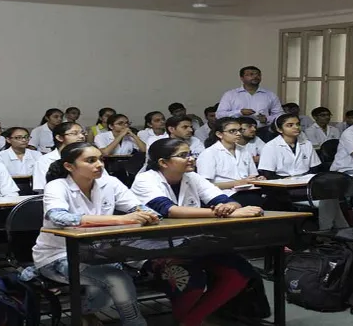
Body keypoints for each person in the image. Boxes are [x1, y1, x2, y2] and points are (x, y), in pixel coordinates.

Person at [131, 138, 263, 326]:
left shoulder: (191, 176)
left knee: (239, 271)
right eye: (184, 155)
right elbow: (170, 211)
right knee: (190, 280)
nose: (191, 159)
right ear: (163, 162)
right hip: (154, 247)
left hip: (192, 244)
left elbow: (224, 199)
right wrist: (226, 214)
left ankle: (191, 321)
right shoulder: (145, 179)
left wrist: (229, 207)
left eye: (191, 154)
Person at [33, 142, 156, 326]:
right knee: (116, 278)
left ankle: (86, 312)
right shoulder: (57, 186)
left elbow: (139, 207)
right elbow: (59, 217)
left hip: (96, 253)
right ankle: (135, 323)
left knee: (117, 273)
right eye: (91, 160)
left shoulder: (110, 183)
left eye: (101, 159)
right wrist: (122, 219)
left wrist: (147, 214)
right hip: (57, 256)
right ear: (69, 166)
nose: (99, 165)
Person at [198, 118, 264, 206]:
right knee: (253, 201)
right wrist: (237, 183)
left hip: (247, 190)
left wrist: (257, 179)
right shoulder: (209, 153)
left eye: (240, 130)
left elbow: (252, 175)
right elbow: (204, 186)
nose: (238, 134)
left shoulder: (244, 151)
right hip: (223, 193)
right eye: (232, 131)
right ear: (219, 134)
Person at [216, 66, 284, 129]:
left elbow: (280, 116)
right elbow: (219, 115)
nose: (255, 76)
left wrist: (267, 119)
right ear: (241, 78)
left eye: (258, 74)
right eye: (251, 74)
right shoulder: (230, 95)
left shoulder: (270, 95)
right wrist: (240, 112)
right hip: (237, 132)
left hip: (262, 131)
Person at [258, 114, 321, 179]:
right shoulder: (270, 146)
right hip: (280, 183)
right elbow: (268, 173)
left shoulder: (307, 143)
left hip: (305, 181)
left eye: (298, 124)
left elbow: (314, 167)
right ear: (279, 129)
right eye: (290, 125)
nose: (296, 127)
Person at [32, 122, 86, 192]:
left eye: (83, 133)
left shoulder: (89, 157)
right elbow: (42, 188)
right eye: (74, 133)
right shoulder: (45, 160)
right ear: (59, 137)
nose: (82, 136)